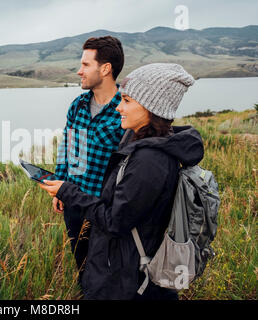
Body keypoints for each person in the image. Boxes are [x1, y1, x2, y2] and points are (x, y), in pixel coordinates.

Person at [41, 63, 204, 300]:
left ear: (151, 107)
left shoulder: (150, 161)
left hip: (128, 281)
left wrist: (68, 191)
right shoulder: (140, 141)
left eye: (127, 100)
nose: (118, 107)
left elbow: (114, 221)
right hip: (121, 268)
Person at [53, 36, 125, 286]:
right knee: (82, 267)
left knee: (108, 271)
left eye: (85, 64)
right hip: (74, 203)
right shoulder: (78, 105)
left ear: (105, 69)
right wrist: (60, 187)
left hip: (105, 210)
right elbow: (67, 147)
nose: (79, 70)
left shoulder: (125, 110)